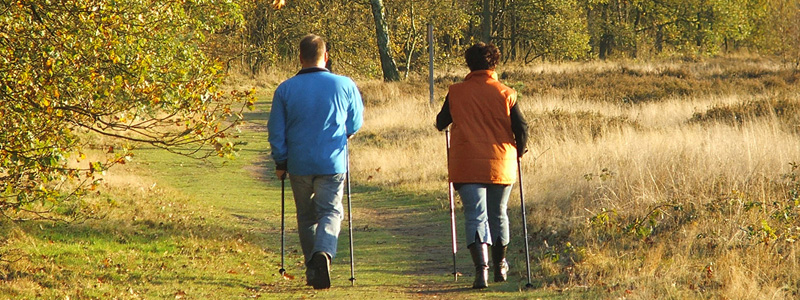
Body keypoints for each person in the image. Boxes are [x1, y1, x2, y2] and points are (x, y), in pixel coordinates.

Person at [267, 34, 364, 290]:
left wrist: (280, 160)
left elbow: (276, 129)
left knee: (306, 216)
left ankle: (313, 267)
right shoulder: (344, 85)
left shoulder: (285, 89)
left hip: (298, 163)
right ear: (326, 56)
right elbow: (354, 123)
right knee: (331, 211)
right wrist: (345, 134)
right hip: (332, 162)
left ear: (300, 57)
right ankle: (323, 253)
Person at [435, 42, 528, 289]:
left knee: (475, 215)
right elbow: (521, 127)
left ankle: (481, 272)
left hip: (466, 164)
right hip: (502, 162)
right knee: (499, 213)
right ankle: (500, 267)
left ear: (469, 64)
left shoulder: (456, 92)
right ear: (494, 63)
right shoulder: (507, 93)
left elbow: (441, 121)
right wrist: (521, 149)